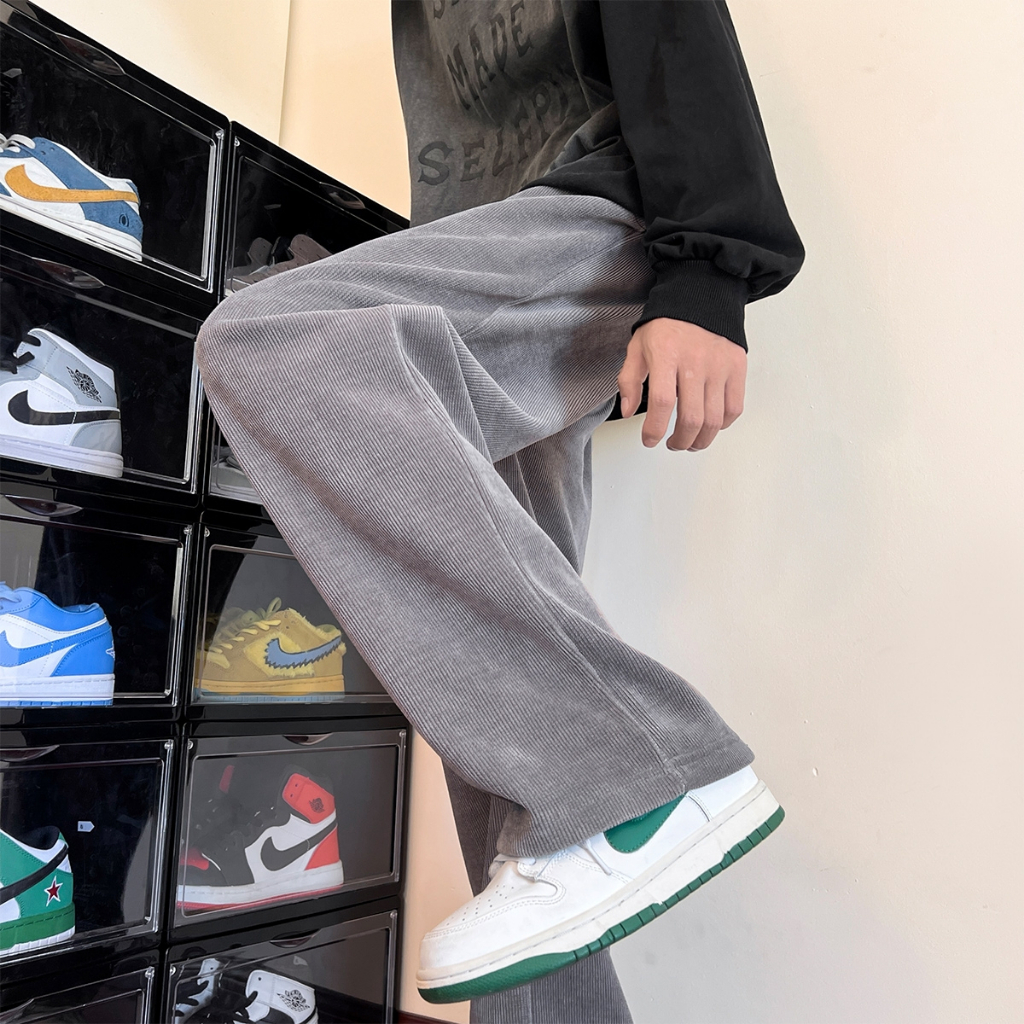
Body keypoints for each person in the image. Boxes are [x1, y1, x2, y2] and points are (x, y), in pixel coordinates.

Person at [197, 1, 804, 1020]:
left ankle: (635, 777)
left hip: (602, 219)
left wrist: (709, 270)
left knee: (262, 342)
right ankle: (596, 809)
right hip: (500, 260)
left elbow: (674, 28)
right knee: (508, 753)